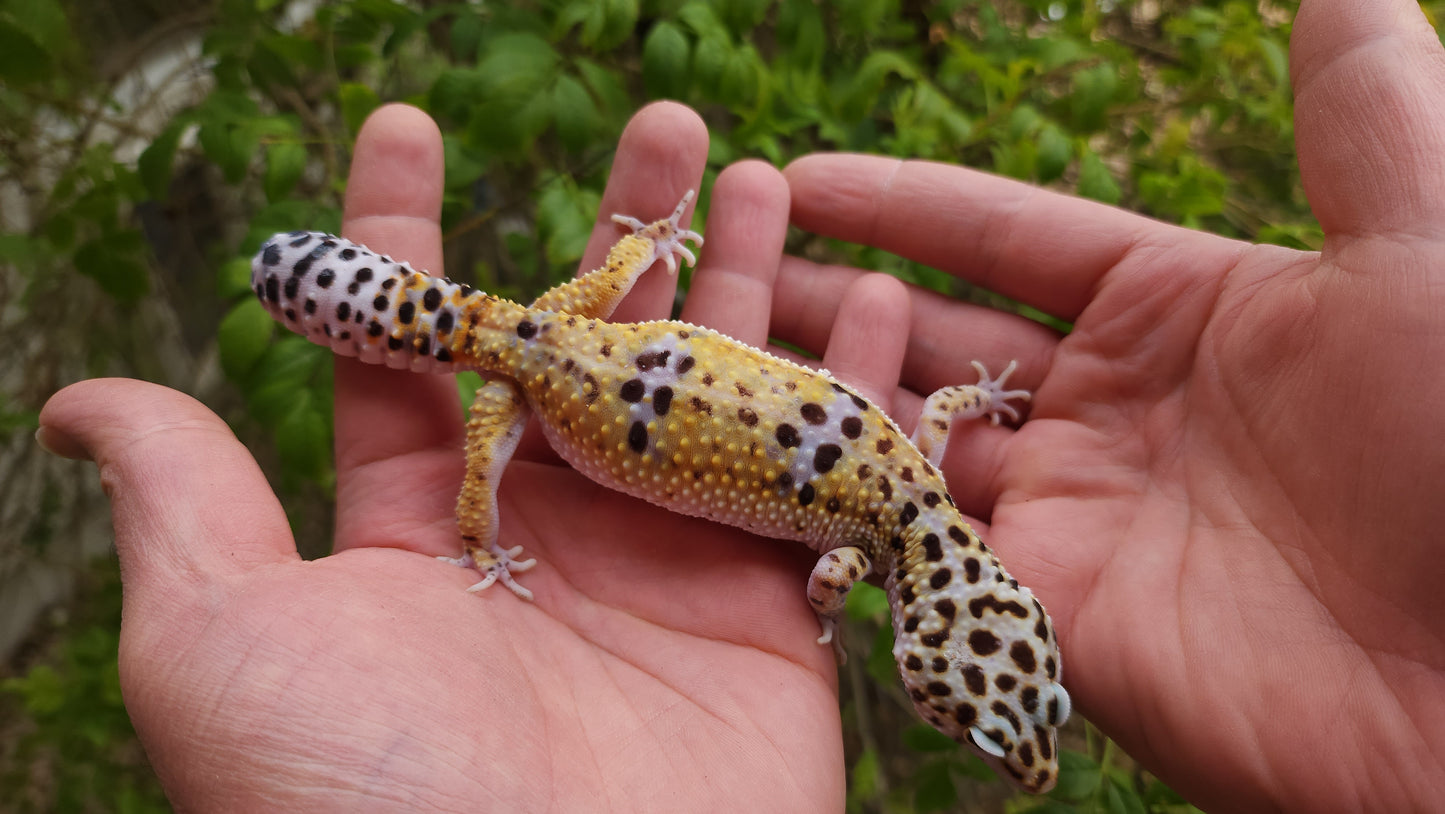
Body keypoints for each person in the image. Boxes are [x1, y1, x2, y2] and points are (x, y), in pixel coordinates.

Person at [37, 0, 1445, 809]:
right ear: (951, 624)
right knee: (481, 443)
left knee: (529, 315)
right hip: (533, 375)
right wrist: (485, 533)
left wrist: (648, 260)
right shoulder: (857, 547)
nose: (1008, 737)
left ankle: (560, 268)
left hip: (566, 337)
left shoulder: (918, 476)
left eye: (993, 712)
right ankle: (469, 434)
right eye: (994, 708)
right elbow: (841, 556)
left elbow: (945, 407)